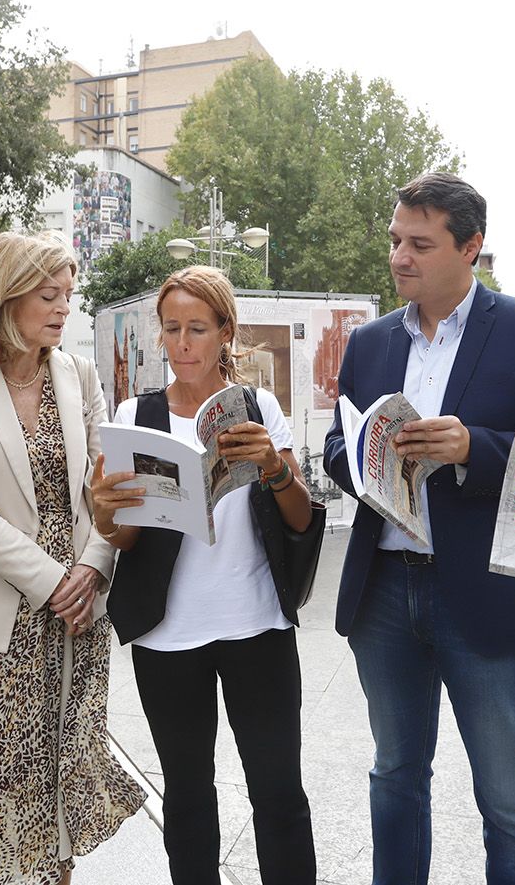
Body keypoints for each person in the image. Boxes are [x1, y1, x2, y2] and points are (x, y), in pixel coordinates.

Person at [324, 173, 515, 885]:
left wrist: (475, 447)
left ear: (471, 246)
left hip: (482, 594)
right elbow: (335, 445)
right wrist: (367, 459)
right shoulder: (371, 341)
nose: (399, 257)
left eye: (419, 243)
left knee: (510, 798)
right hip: (384, 590)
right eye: (394, 240)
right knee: (394, 776)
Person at [0, 230, 143, 882]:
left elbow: (111, 487)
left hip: (74, 620)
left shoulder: (81, 374)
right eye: (49, 294)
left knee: (60, 795)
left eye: (69, 294)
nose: (63, 307)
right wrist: (55, 581)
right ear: (6, 295)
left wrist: (93, 568)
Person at [96, 265, 317, 885]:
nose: (183, 342)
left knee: (277, 790)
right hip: (168, 632)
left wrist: (274, 467)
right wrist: (104, 510)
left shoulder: (258, 407)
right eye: (171, 329)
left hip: (257, 624)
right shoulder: (135, 413)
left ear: (226, 332)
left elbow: (299, 517)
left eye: (197, 327)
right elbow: (125, 538)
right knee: (188, 791)